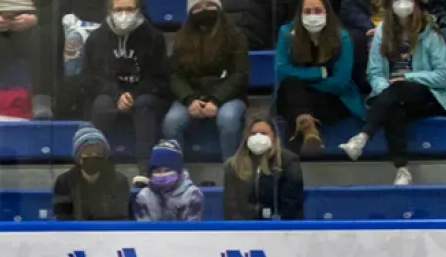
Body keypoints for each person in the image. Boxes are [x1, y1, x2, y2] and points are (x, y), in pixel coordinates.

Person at [341, 0, 446, 184]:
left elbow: (444, 75)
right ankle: (402, 169)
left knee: (399, 89)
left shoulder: (430, 31)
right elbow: (375, 73)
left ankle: (363, 137)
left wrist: (409, 77)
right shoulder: (381, 31)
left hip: (427, 94)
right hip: (392, 95)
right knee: (393, 108)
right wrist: (385, 89)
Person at [81, 0, 170, 169]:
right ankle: (99, 166)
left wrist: (132, 95)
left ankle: (145, 168)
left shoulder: (154, 37)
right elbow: (90, 78)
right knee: (101, 105)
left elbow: (159, 78)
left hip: (144, 94)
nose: (124, 14)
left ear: (138, 11)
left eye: (129, 9)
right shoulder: (96, 38)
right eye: (119, 9)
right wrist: (118, 95)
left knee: (143, 104)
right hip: (110, 93)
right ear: (109, 11)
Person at [162, 0, 250, 160]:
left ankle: (232, 172)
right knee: (171, 122)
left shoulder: (235, 35)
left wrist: (216, 100)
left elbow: (239, 74)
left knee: (228, 119)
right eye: (198, 7)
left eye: (209, 5)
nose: (204, 10)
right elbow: (175, 75)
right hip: (191, 96)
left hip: (228, 97)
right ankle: (174, 174)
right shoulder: (181, 37)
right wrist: (189, 99)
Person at [274, 0, 364, 155]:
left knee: (296, 103)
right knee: (291, 85)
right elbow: (281, 71)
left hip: (332, 100)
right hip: (296, 94)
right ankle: (308, 131)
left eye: (317, 10)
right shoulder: (286, 32)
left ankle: (292, 160)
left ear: (327, 12)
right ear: (299, 14)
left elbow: (340, 83)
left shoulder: (342, 37)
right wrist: (319, 73)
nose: (313, 16)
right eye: (307, 11)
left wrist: (306, 84)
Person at [224, 116, 305, 219]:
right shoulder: (233, 165)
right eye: (253, 133)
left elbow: (292, 202)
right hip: (244, 228)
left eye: (263, 133)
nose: (258, 137)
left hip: (280, 227)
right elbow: (231, 206)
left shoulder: (288, 161)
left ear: (274, 136)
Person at [51, 125, 131, 220]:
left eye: (98, 153)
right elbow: (62, 216)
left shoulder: (119, 180)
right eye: (88, 152)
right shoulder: (64, 181)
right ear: (78, 156)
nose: (93, 156)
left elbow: (122, 215)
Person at [132, 140, 203, 221]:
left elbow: (190, 230)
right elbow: (144, 230)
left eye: (167, 170)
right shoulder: (143, 196)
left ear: (178, 171)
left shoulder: (192, 195)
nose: (163, 175)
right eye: (158, 171)